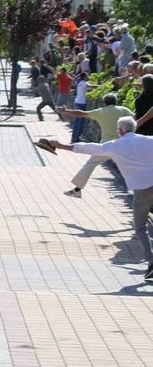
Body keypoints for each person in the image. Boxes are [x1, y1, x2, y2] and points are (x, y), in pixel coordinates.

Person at [45, 117, 153, 280]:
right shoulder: (149, 140)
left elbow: (90, 148)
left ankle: (152, 264)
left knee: (140, 229)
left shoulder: (115, 145)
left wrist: (59, 145)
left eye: (118, 129)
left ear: (121, 130)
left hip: (142, 190)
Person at [59, 94, 134, 197]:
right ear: (115, 101)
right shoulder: (123, 110)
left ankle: (77, 190)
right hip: (123, 144)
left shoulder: (101, 112)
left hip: (106, 146)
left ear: (104, 103)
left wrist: (66, 111)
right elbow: (135, 119)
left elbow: (81, 114)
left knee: (90, 164)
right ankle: (140, 190)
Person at [71, 71, 92, 142]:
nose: (88, 77)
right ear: (85, 77)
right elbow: (92, 87)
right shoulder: (85, 83)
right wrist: (102, 86)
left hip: (76, 102)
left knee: (77, 121)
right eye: (87, 76)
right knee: (80, 122)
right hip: (82, 103)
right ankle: (76, 138)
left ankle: (73, 137)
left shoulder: (78, 83)